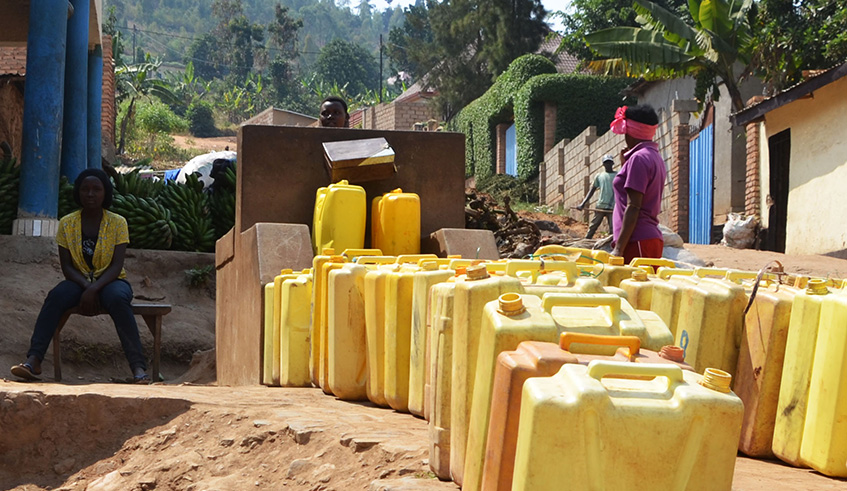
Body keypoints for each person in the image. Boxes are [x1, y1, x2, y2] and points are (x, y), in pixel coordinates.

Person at [10, 169, 149, 383]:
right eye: (85, 189)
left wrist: (94, 289)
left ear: (105, 193)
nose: (90, 194)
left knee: (117, 298)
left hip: (112, 280)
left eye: (96, 189)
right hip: (78, 281)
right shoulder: (67, 223)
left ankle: (138, 369)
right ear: (78, 192)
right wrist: (86, 286)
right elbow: (67, 267)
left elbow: (116, 265)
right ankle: (33, 360)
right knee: (56, 296)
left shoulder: (118, 222)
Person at [608, 104, 667, 263]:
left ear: (632, 133)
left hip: (636, 240)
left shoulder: (638, 159)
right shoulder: (653, 156)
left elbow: (634, 206)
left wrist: (618, 249)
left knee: (633, 287)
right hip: (646, 239)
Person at [576, 154, 617, 239]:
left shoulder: (618, 175)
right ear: (603, 164)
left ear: (613, 164)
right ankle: (586, 241)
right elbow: (592, 191)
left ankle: (611, 245)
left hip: (613, 207)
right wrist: (583, 203)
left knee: (613, 229)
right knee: (593, 226)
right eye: (606, 163)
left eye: (609, 163)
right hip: (600, 206)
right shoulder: (599, 176)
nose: (608, 165)